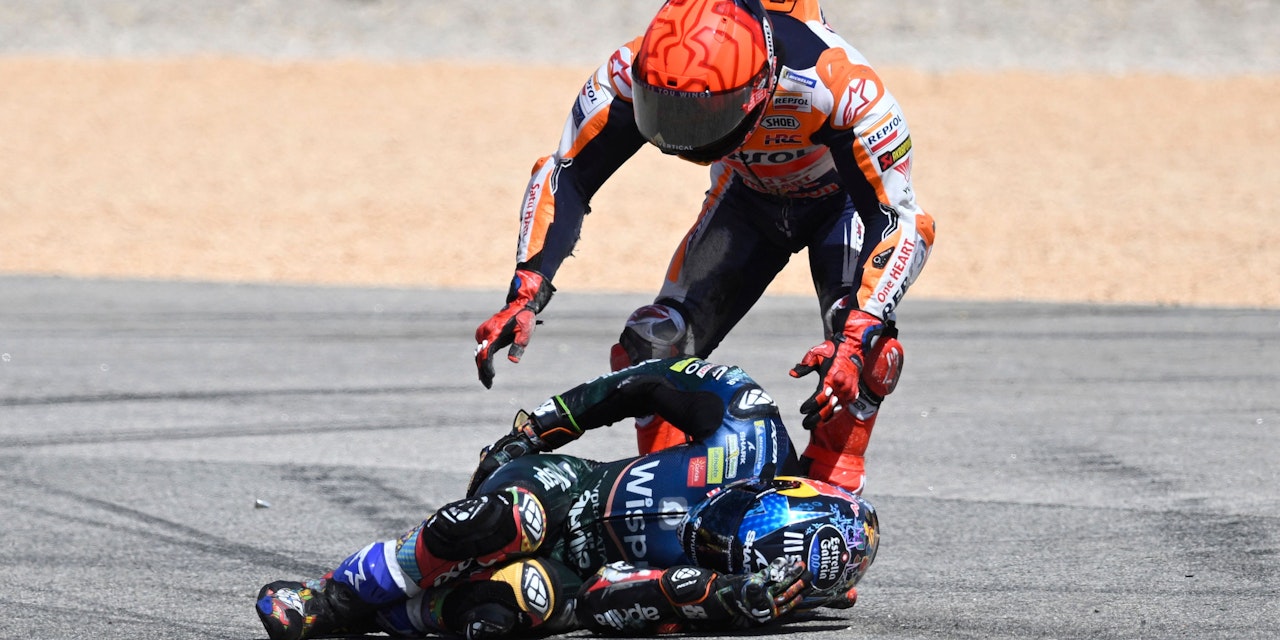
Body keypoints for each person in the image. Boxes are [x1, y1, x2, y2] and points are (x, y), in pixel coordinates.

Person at [472, 0, 937, 496]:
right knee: (652, 340)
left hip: (841, 205)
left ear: (759, 86)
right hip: (745, 200)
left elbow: (904, 222)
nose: (681, 132)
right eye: (667, 110)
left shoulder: (840, 86)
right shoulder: (630, 68)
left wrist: (857, 333)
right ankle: (667, 492)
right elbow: (566, 173)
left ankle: (834, 486)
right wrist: (526, 290)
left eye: (705, 112)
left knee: (861, 346)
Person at [256, 357, 879, 639]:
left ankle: (384, 618)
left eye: (725, 555)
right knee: (496, 523)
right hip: (568, 487)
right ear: (778, 485)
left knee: (500, 614)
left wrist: (715, 595)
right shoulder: (749, 424)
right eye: (733, 523)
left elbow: (605, 600)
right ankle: (330, 599)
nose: (708, 539)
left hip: (577, 576)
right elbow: (646, 379)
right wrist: (540, 428)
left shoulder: (750, 592)